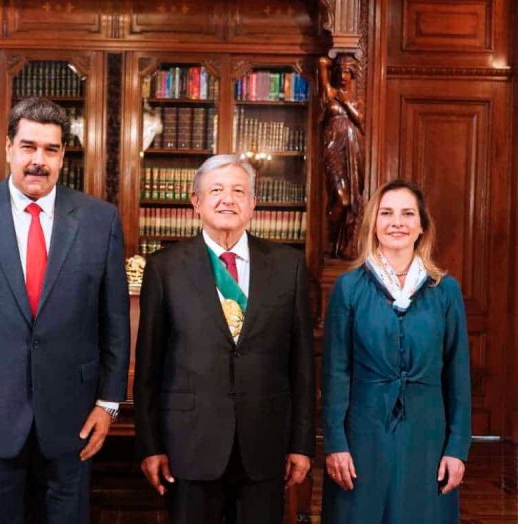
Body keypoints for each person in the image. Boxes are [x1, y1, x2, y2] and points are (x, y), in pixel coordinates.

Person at [0, 97, 130, 523]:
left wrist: (108, 403)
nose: (39, 161)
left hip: (73, 416)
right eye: (29, 147)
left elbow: (114, 321)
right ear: (8, 148)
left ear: (63, 155)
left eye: (51, 150)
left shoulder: (99, 220)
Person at [134, 154, 315, 524]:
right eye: (216, 190)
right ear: (196, 202)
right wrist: (150, 445)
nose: (227, 199)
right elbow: (150, 368)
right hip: (189, 445)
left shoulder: (288, 266)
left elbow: (302, 366)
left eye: (238, 191)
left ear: (253, 203)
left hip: (265, 444)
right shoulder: (165, 268)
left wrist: (301, 443)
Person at [321, 180, 471, 523]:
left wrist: (457, 448)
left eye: (407, 214)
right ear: (373, 224)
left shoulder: (445, 290)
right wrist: (335, 443)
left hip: (428, 437)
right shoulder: (348, 288)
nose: (397, 223)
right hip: (363, 435)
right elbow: (335, 373)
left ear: (422, 226)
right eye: (386, 213)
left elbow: (457, 376)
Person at [318, 55, 364, 260]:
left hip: (352, 149)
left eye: (347, 72)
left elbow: (360, 120)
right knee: (341, 199)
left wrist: (346, 103)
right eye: (340, 72)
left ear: (353, 75)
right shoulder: (331, 93)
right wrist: (332, 64)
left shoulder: (356, 100)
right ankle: (331, 239)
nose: (343, 76)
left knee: (352, 198)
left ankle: (343, 244)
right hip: (332, 149)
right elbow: (322, 62)